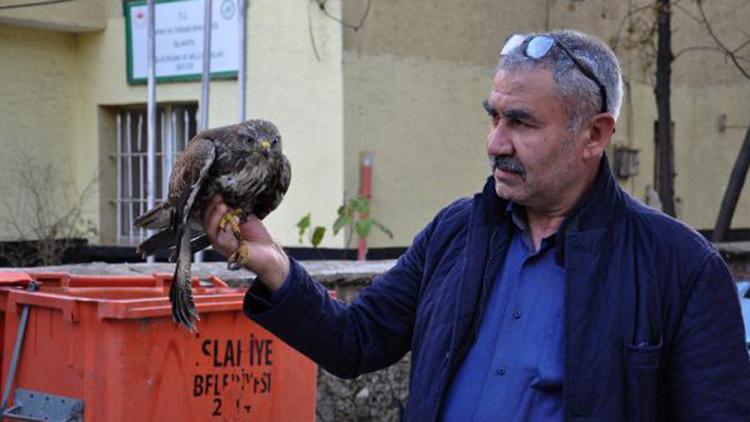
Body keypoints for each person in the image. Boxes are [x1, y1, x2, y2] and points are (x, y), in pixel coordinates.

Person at [203, 29, 750, 421]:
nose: (495, 142)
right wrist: (275, 266)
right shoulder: (455, 234)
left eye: (520, 122)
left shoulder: (680, 268)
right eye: (493, 116)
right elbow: (357, 340)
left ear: (595, 135)